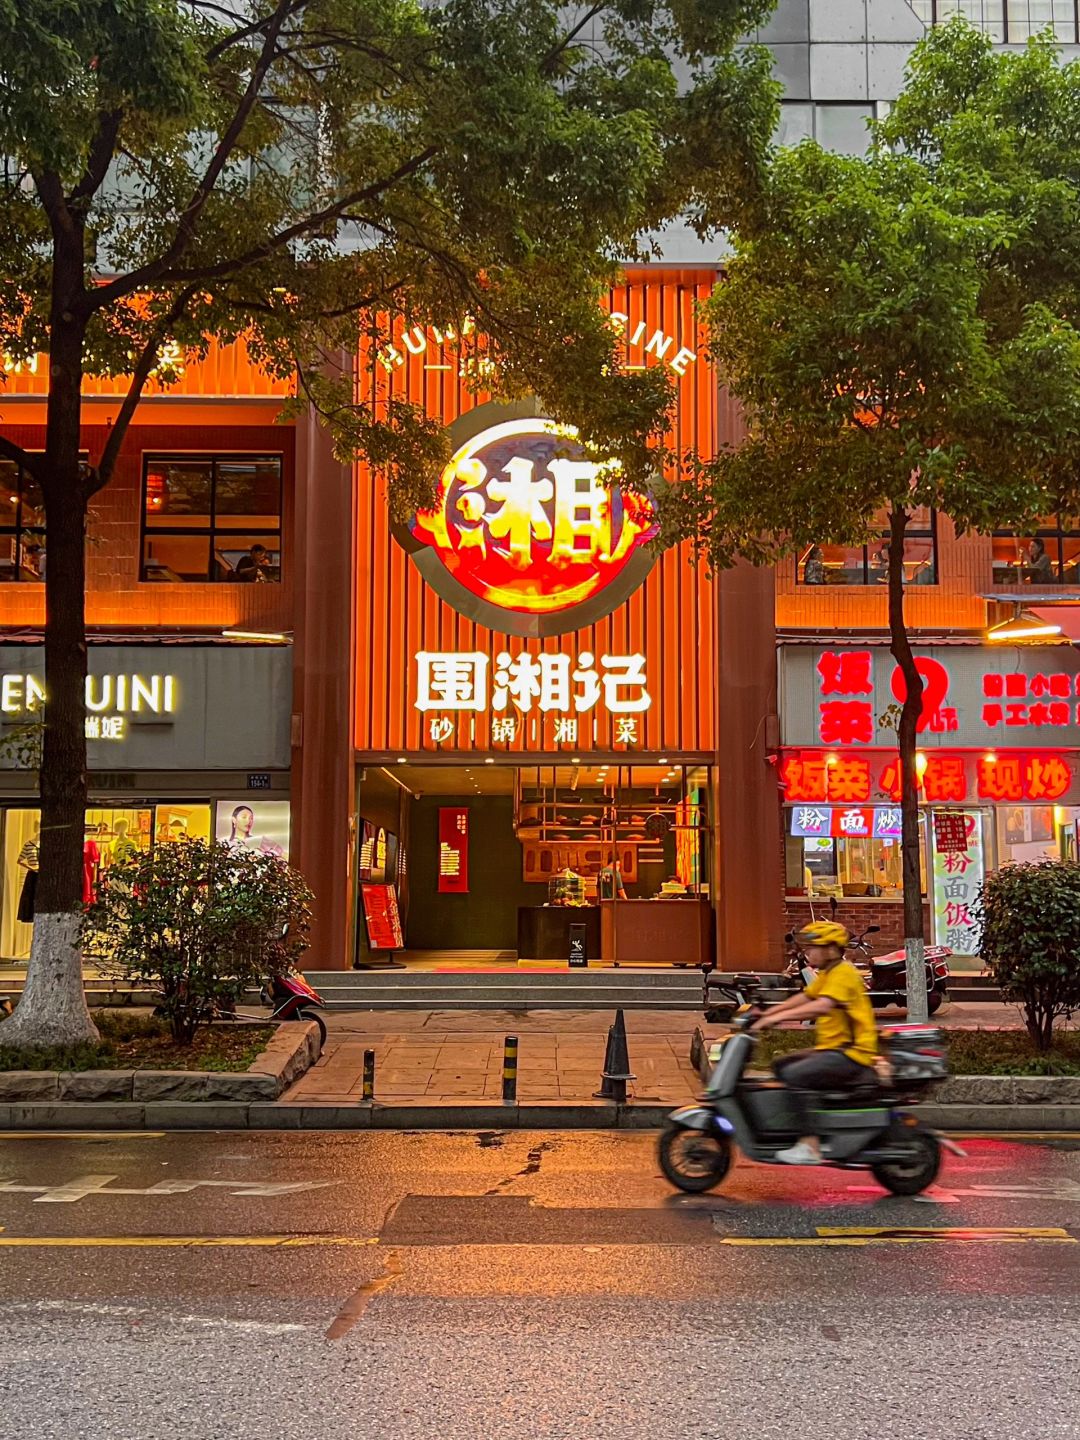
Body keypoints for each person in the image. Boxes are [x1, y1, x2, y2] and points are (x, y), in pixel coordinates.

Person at [750, 920, 880, 1165]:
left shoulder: (844, 973)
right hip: (833, 1050)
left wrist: (776, 1018)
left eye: (813, 947)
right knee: (781, 1065)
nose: (807, 952)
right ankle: (796, 1128)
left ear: (830, 949)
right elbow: (805, 996)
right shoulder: (829, 973)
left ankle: (810, 1145)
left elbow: (821, 1005)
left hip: (852, 1054)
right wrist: (767, 1013)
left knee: (796, 1075)